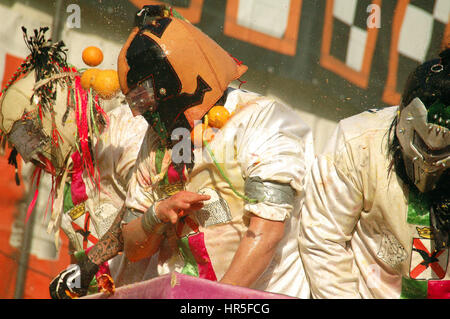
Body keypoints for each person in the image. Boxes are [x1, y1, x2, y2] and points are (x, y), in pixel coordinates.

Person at [115, 5, 314, 298]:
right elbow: (133, 249)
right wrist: (156, 215)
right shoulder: (157, 141)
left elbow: (267, 233)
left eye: (145, 97)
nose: (143, 113)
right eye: (137, 101)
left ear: (176, 80)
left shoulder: (264, 121)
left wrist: (213, 303)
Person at [0, 27, 148, 298]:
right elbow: (80, 257)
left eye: (32, 138)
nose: (33, 155)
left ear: (57, 115)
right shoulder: (69, 178)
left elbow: (147, 213)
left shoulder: (126, 132)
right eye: (22, 145)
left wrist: (88, 266)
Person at [299, 49, 450, 299]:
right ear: (403, 118)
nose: (431, 160)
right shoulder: (358, 142)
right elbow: (323, 239)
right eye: (422, 144)